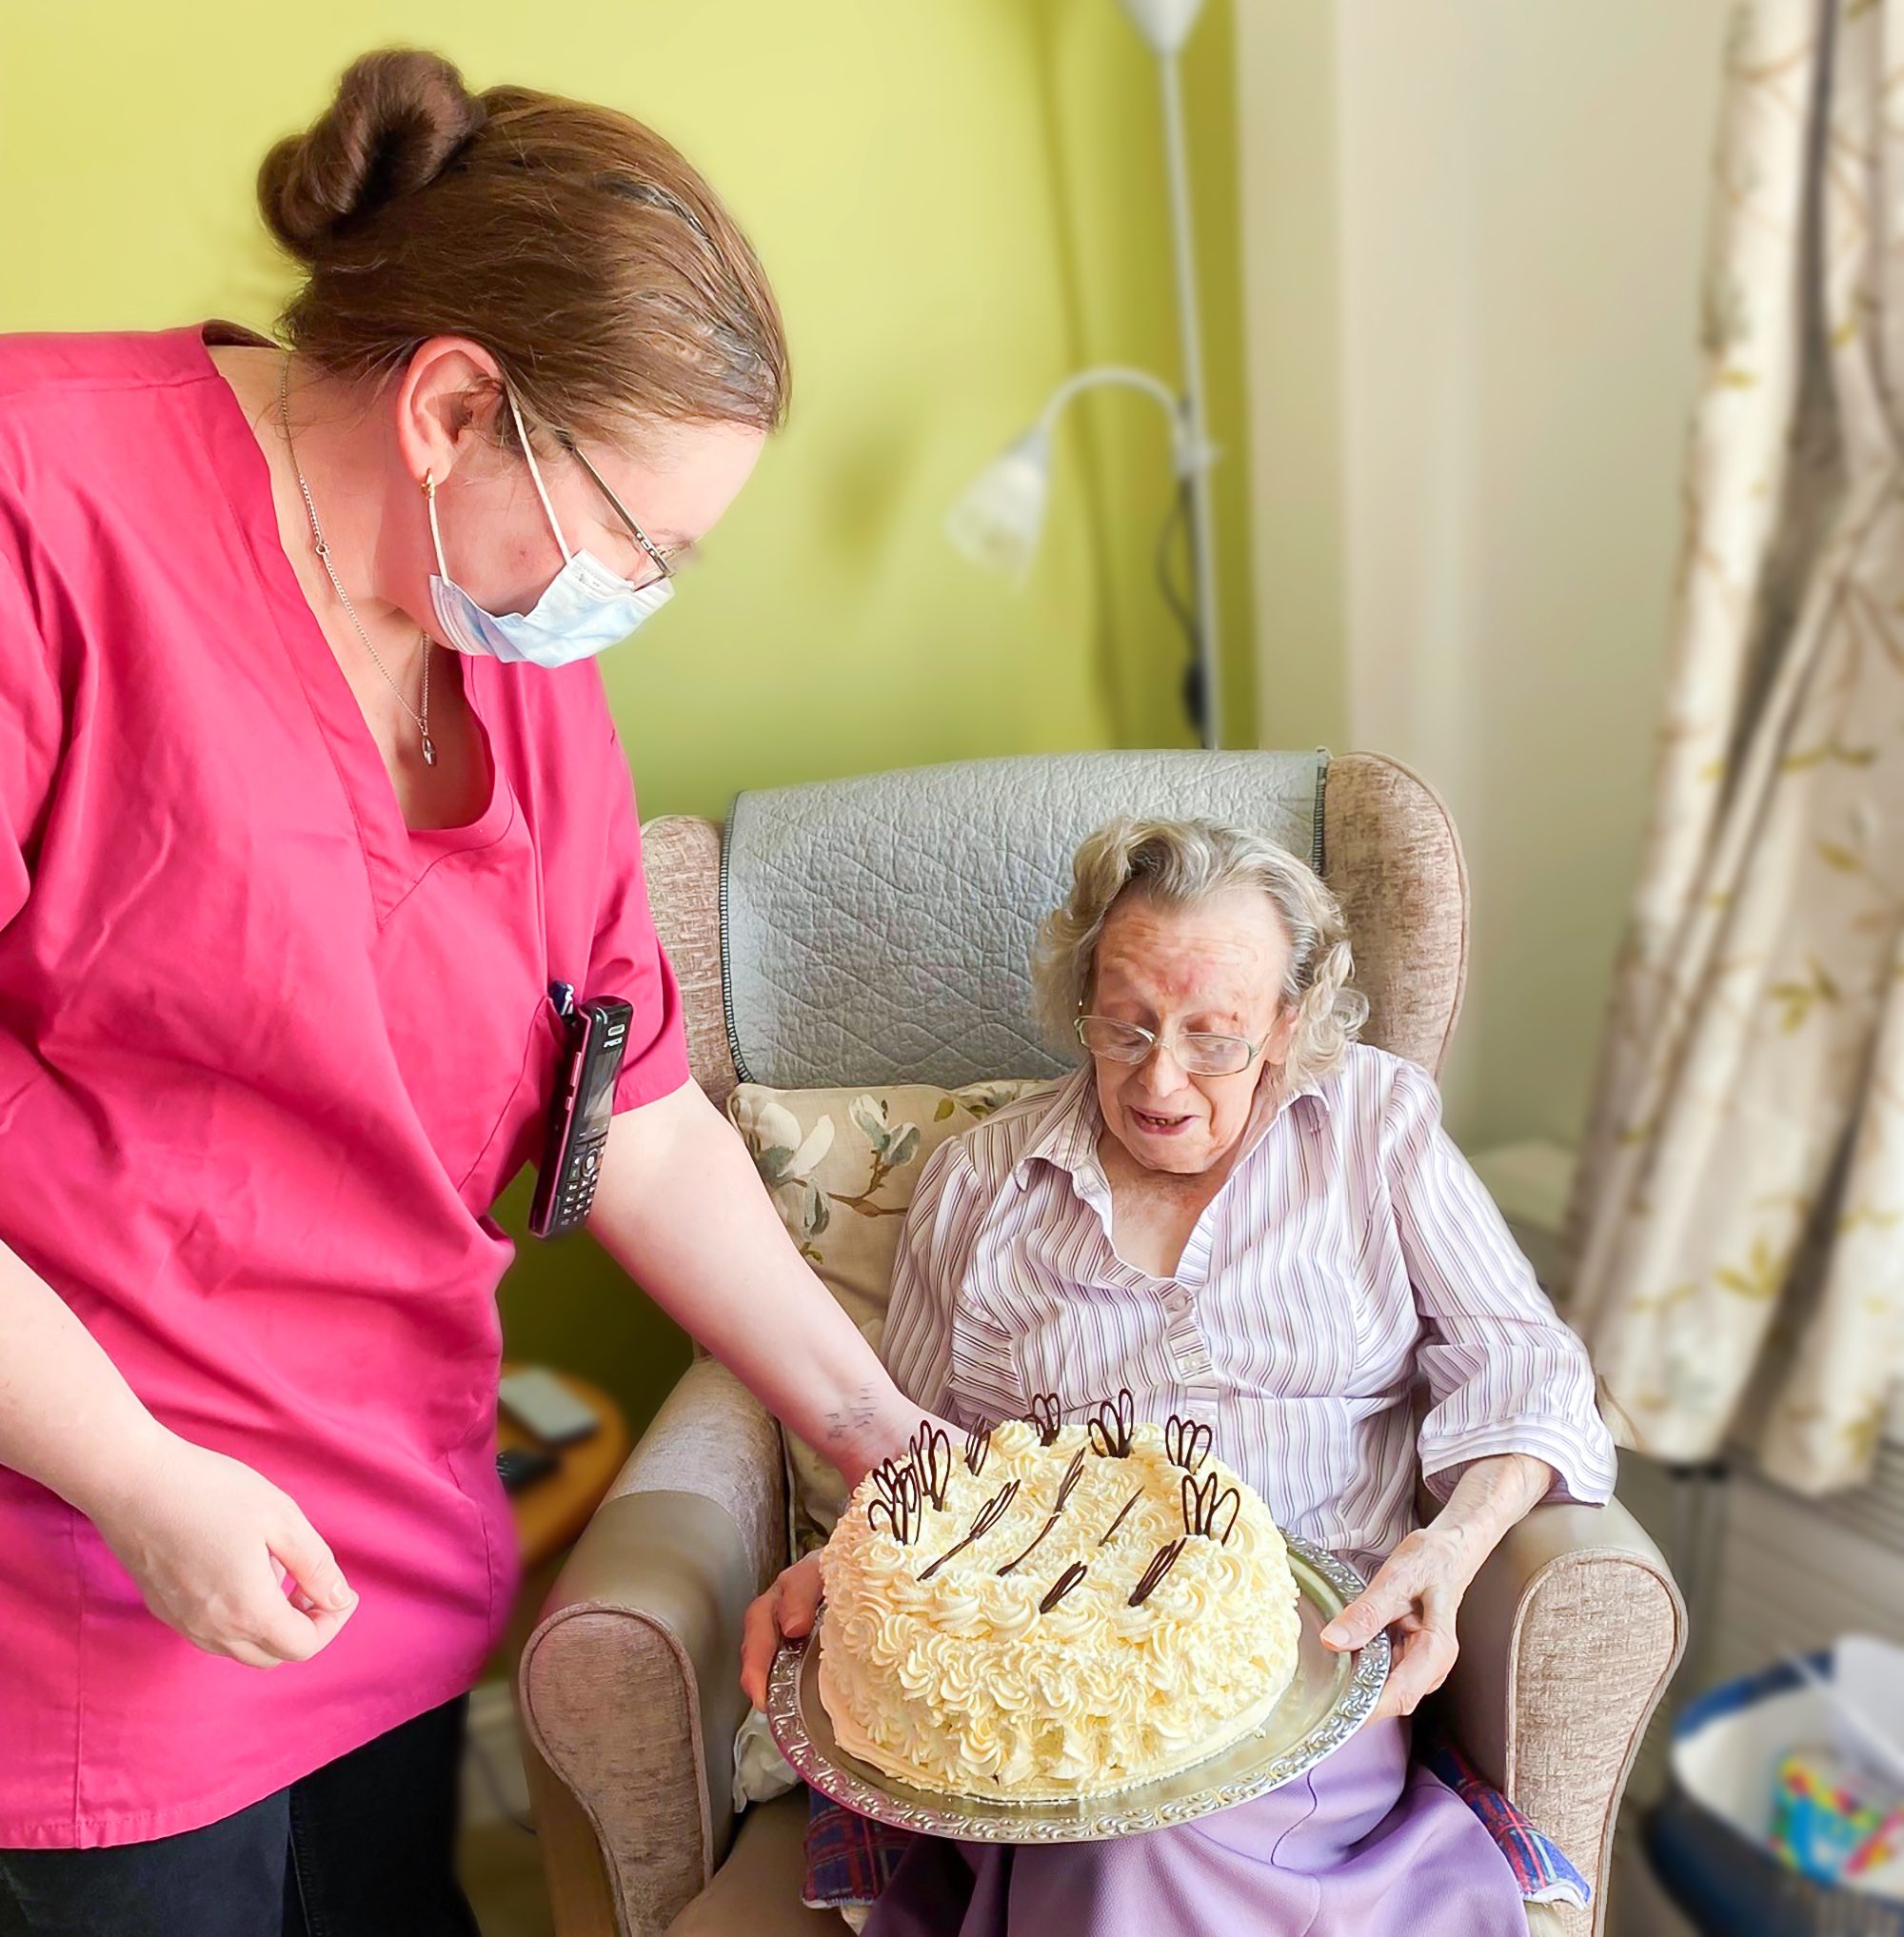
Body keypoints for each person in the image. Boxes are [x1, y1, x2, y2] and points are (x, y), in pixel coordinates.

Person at [0, 49, 925, 1937]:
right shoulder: (43, 507)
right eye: (637, 540)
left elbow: (637, 1113)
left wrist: (871, 1426)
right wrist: (138, 1475)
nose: (636, 595)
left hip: (390, 1532)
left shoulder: (495, 634)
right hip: (87, 1562)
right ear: (449, 405)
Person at [742, 817, 1618, 1937]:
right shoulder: (979, 1183)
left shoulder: (1373, 1127)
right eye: (1124, 1028)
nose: (1159, 1080)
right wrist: (851, 1562)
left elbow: (1530, 1367)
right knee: (1106, 1818)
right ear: (1081, 1005)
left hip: (1309, 1678)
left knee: (1140, 1835)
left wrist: (1449, 1547)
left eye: (1213, 1040)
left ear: (1286, 1025)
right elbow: (919, 1471)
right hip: (1043, 1699)